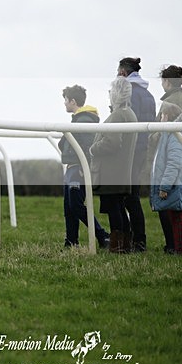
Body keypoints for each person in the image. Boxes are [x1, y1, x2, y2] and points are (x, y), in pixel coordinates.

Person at [149, 64, 182, 253]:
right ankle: (175, 247)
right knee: (178, 210)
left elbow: (156, 132)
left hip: (168, 159)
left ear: (167, 82)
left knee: (166, 206)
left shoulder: (167, 104)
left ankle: (172, 247)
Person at [89, 76, 138, 253]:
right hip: (121, 171)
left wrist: (93, 149)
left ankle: (117, 246)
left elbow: (112, 143)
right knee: (119, 208)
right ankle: (125, 244)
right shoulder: (130, 113)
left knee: (114, 209)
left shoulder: (118, 115)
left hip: (111, 172)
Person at [58, 85, 110, 248]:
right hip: (72, 167)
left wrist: (84, 166)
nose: (64, 104)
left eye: (66, 100)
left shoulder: (84, 120)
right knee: (69, 206)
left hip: (78, 169)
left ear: (73, 101)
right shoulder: (77, 119)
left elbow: (88, 147)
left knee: (76, 205)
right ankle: (71, 242)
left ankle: (102, 236)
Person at [116, 57, 156, 252]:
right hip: (142, 148)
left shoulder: (129, 92)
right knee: (132, 195)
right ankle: (137, 240)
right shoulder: (148, 94)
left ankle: (137, 241)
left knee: (129, 197)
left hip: (130, 150)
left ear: (123, 72)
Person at [150, 101, 182, 255]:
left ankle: (180, 251)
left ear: (166, 116)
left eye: (161, 115)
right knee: (175, 217)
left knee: (178, 218)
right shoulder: (171, 133)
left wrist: (164, 186)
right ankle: (175, 249)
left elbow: (174, 163)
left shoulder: (176, 133)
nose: (160, 119)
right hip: (174, 182)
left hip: (175, 184)